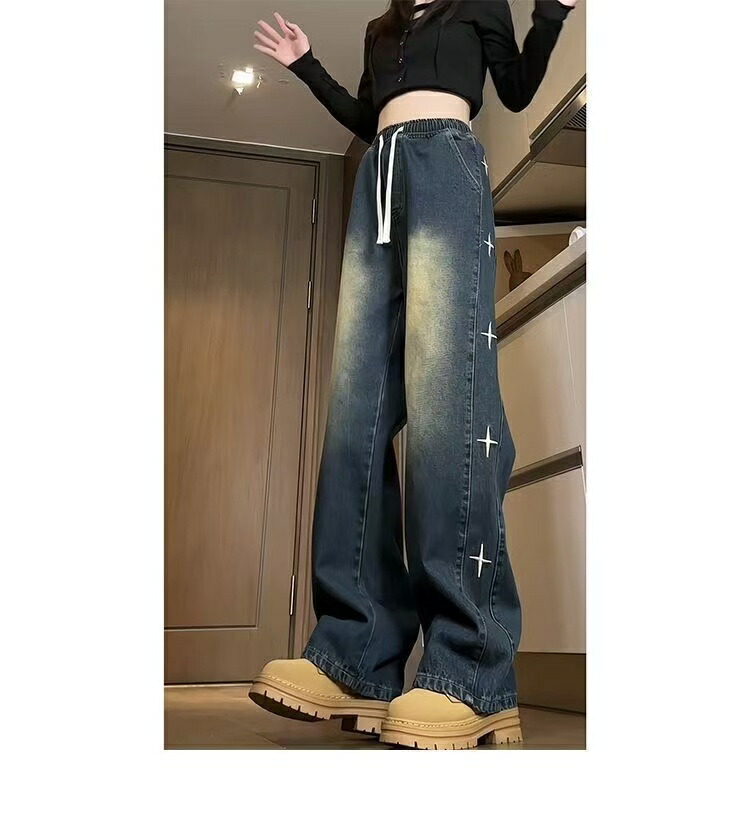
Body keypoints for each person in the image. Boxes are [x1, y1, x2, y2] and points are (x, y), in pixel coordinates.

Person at [249, 0, 576, 750]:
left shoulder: (479, 4)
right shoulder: (382, 28)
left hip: (446, 164)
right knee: (354, 405)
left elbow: (517, 88)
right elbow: (367, 117)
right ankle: (355, 654)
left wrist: (551, 15)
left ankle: (471, 671)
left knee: (444, 400)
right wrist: (306, 66)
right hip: (379, 177)